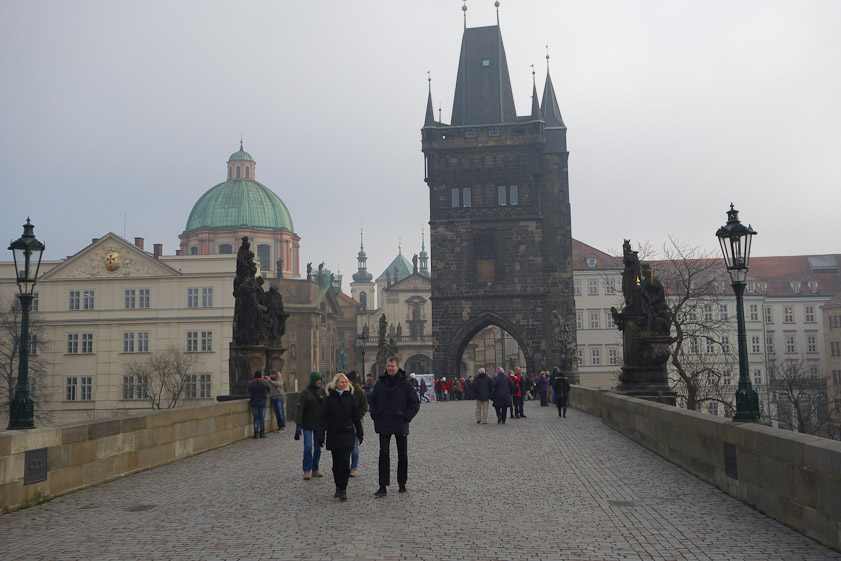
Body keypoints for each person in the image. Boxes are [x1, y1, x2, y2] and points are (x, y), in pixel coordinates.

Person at [369, 356, 420, 497]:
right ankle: (382, 486)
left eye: (393, 366)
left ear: (398, 367)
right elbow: (372, 400)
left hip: (399, 422)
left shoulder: (406, 384)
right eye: (388, 366)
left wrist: (407, 417)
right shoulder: (380, 383)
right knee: (383, 454)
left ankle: (402, 483)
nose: (390, 368)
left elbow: (414, 403)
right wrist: (374, 414)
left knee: (402, 455)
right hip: (384, 422)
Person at [319, 372, 364, 501]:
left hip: (348, 433)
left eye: (345, 382)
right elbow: (323, 418)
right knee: (336, 463)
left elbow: (356, 418)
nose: (344, 384)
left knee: (345, 462)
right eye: (342, 382)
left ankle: (343, 488)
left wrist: (360, 432)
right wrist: (321, 433)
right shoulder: (328, 399)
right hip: (334, 433)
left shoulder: (351, 398)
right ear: (336, 384)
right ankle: (338, 487)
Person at [295, 371, 325, 480]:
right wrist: (298, 424)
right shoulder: (305, 393)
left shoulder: (322, 391)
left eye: (320, 379)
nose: (319, 381)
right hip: (307, 424)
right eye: (317, 379)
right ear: (313, 380)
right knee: (308, 447)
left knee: (318, 448)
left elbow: (325, 408)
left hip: (318, 424)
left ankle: (315, 469)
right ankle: (306, 470)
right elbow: (299, 410)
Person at [346, 371, 369, 478]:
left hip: (355, 422)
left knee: (354, 447)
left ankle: (353, 467)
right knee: (345, 446)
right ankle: (345, 466)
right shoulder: (343, 390)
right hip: (344, 422)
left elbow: (364, 407)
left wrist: (357, 417)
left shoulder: (359, 391)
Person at [247, 371, 270, 439]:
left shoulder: (251, 384)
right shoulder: (265, 383)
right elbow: (269, 389)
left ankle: (256, 433)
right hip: (262, 401)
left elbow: (249, 391)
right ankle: (262, 433)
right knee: (262, 418)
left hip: (254, 402)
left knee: (256, 418)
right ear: (261, 376)